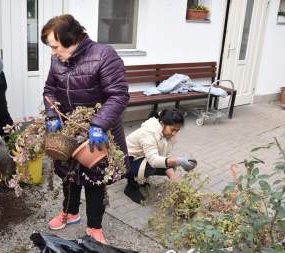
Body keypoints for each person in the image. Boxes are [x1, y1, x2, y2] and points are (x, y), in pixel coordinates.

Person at [41, 14, 129, 244]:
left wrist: (99, 124)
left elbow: (118, 95)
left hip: (97, 131)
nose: (53, 52)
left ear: (72, 39)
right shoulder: (58, 60)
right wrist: (52, 114)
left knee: (94, 180)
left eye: (55, 46)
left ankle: (94, 227)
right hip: (69, 129)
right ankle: (70, 213)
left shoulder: (103, 55)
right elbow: (50, 89)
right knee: (68, 175)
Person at [124, 109, 197, 204]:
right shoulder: (148, 132)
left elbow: (167, 156)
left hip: (140, 159)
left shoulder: (168, 134)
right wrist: (179, 161)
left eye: (177, 130)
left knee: (169, 162)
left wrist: (175, 180)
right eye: (173, 130)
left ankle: (140, 179)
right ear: (162, 124)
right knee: (151, 164)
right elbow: (154, 160)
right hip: (125, 163)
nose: (174, 133)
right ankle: (131, 187)